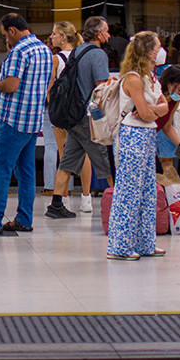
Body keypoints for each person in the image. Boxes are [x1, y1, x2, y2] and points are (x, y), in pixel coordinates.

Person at [0, 13, 51, 234]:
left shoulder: (19, 51)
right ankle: (24, 218)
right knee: (26, 172)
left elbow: (11, 85)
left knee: (0, 169)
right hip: (33, 121)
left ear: (12, 30)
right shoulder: (43, 49)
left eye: (5, 35)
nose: (5, 40)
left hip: (13, 120)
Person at [106, 32, 169, 260]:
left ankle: (145, 243)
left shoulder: (151, 78)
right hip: (131, 136)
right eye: (158, 47)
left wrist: (156, 111)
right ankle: (119, 247)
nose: (162, 51)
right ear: (149, 52)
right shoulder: (133, 79)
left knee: (147, 191)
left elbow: (163, 108)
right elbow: (144, 113)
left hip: (146, 135)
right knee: (128, 192)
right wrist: (156, 110)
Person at [46, 16, 112, 220]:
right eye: (107, 31)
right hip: (87, 117)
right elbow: (101, 87)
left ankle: (56, 204)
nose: (109, 35)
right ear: (99, 34)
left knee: (66, 161)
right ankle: (121, 199)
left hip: (73, 116)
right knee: (105, 160)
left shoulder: (78, 51)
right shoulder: (98, 54)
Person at [44, 21, 92, 205]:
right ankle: (86, 197)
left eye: (54, 33)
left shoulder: (56, 59)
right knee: (84, 153)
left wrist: (54, 109)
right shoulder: (83, 56)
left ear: (63, 37)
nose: (51, 37)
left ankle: (62, 196)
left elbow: (49, 88)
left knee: (64, 154)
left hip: (62, 114)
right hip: (81, 113)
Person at [154, 64, 180, 186]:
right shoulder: (155, 96)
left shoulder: (174, 100)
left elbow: (167, 127)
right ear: (169, 83)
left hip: (149, 144)